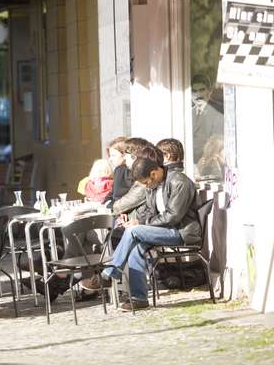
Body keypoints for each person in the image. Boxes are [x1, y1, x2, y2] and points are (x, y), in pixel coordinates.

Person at [80, 157, 200, 311]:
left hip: (182, 232)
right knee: (136, 247)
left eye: (146, 182)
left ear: (154, 174)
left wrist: (141, 224)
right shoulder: (153, 185)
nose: (146, 187)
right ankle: (139, 298)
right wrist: (133, 219)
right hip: (164, 230)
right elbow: (150, 211)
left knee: (133, 231)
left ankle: (108, 274)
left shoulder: (179, 182)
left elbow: (173, 216)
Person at [191, 74, 223, 163]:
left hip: (210, 163)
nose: (198, 94)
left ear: (209, 91)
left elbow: (218, 142)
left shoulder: (219, 111)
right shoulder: (187, 113)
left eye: (202, 90)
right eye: (194, 91)